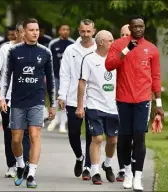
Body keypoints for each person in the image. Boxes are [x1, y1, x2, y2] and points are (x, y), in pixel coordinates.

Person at [105, 15, 164, 191]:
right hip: (123, 99)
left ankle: (138, 176)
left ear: (144, 27)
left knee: (139, 137)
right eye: (135, 27)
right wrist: (126, 50)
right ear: (130, 28)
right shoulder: (118, 45)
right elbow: (109, 65)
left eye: (141, 26)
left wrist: (158, 103)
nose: (138, 29)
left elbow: (155, 77)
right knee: (125, 138)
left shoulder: (152, 49)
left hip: (143, 100)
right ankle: (128, 172)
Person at [0, 18, 56, 188]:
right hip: (17, 101)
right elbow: (6, 76)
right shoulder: (14, 51)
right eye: (31, 30)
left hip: (37, 100)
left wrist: (52, 103)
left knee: (34, 135)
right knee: (16, 139)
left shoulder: (45, 52)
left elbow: (51, 80)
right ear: (24, 32)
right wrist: (3, 97)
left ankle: (31, 173)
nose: (35, 32)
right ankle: (20, 165)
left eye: (37, 29)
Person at [76, 30, 117, 185]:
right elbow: (82, 83)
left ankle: (107, 164)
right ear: (101, 42)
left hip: (113, 106)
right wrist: (81, 105)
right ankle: (95, 171)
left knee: (113, 140)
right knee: (97, 138)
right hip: (94, 105)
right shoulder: (89, 59)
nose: (113, 43)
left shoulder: (116, 59)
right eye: (110, 41)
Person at [0, 21, 30, 178]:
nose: (27, 35)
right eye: (24, 32)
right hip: (7, 97)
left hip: (27, 98)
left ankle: (25, 163)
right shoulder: (5, 48)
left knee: (26, 132)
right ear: (17, 33)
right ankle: (12, 165)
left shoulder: (33, 49)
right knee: (10, 133)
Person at [58, 19, 96, 180]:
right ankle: (79, 157)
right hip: (73, 98)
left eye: (88, 31)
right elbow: (64, 73)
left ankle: (88, 166)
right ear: (78, 31)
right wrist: (62, 94)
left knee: (91, 134)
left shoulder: (99, 49)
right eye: (83, 31)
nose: (85, 34)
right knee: (73, 132)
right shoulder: (70, 49)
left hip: (94, 99)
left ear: (93, 31)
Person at [116, 23, 136, 182]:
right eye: (122, 35)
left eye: (127, 35)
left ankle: (134, 165)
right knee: (121, 136)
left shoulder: (141, 52)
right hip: (118, 100)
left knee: (136, 137)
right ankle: (122, 168)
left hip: (136, 101)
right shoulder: (116, 51)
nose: (124, 38)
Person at [47, 24, 75, 133]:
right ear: (59, 31)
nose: (65, 31)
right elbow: (48, 60)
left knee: (65, 99)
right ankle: (54, 120)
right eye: (63, 29)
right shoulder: (53, 44)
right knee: (54, 98)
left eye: (67, 29)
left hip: (68, 77)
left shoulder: (72, 44)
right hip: (55, 75)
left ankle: (63, 123)